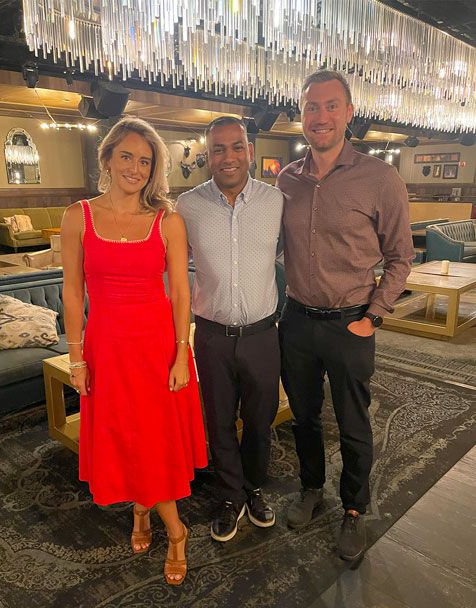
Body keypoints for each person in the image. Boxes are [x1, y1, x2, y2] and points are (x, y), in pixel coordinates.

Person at [61, 117, 207, 585]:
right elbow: (72, 293)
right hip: (106, 348)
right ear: (106, 158)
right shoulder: (77, 216)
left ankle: (175, 530)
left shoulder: (169, 220)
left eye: (145, 161)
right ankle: (141, 508)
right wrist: (76, 357)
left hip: (156, 348)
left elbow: (181, 293)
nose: (136, 168)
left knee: (154, 439)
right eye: (126, 156)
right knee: (124, 435)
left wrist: (182, 354)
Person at [276, 70, 414, 560]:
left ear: (349, 112)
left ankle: (354, 508)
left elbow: (401, 257)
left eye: (331, 105)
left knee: (354, 423)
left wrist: (372, 317)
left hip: (350, 322)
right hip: (296, 322)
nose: (321, 116)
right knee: (304, 418)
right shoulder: (286, 180)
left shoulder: (380, 178)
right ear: (301, 115)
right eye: (311, 107)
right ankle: (311, 489)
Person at [177, 116, 284, 542]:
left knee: (260, 421)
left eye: (237, 147)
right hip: (211, 337)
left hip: (262, 335)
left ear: (250, 152)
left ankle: (253, 488)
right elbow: (169, 265)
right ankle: (229, 496)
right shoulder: (187, 206)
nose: (228, 157)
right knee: (219, 421)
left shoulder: (276, 202)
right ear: (208, 156)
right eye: (218, 149)